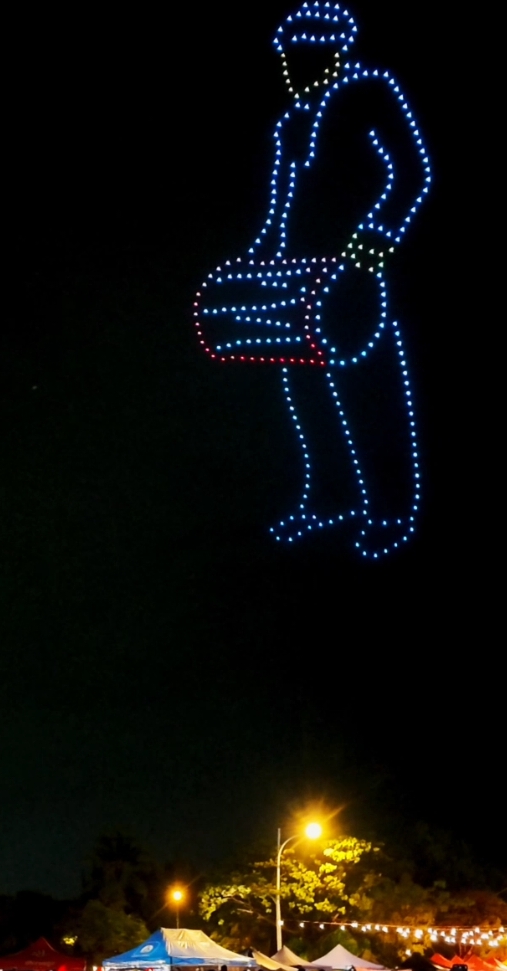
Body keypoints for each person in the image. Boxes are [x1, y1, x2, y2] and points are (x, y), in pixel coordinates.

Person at [194, 2, 431, 558]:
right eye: (287, 58)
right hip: (300, 279)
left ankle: (391, 511)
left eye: (300, 57)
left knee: (371, 392)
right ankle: (329, 497)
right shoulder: (293, 121)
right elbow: (282, 211)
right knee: (306, 395)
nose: (290, 68)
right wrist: (257, 268)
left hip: (355, 276)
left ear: (329, 53)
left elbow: (409, 173)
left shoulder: (369, 92)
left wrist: (367, 253)